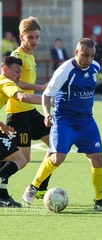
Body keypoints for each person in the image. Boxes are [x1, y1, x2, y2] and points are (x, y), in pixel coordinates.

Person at [22, 38, 102, 212]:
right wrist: (46, 114)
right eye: (85, 55)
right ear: (76, 53)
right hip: (65, 120)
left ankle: (100, 202)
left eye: (91, 55)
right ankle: (33, 186)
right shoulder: (65, 70)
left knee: (97, 157)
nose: (88, 59)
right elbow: (46, 95)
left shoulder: (95, 67)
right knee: (57, 158)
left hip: (86, 121)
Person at [3, 16, 51, 204]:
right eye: (30, 37)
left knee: (57, 144)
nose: (34, 41)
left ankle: (38, 188)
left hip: (30, 111)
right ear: (21, 37)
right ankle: (2, 189)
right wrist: (40, 88)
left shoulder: (30, 55)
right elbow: (14, 82)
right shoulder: (17, 55)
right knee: (21, 160)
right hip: (17, 114)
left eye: (37, 37)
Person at [0, 56, 43, 207]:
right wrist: (48, 100)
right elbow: (22, 96)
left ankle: (2, 196)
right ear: (5, 69)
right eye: (17, 71)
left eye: (21, 72)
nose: (19, 75)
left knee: (6, 161)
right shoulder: (6, 82)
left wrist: (3, 126)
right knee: (20, 160)